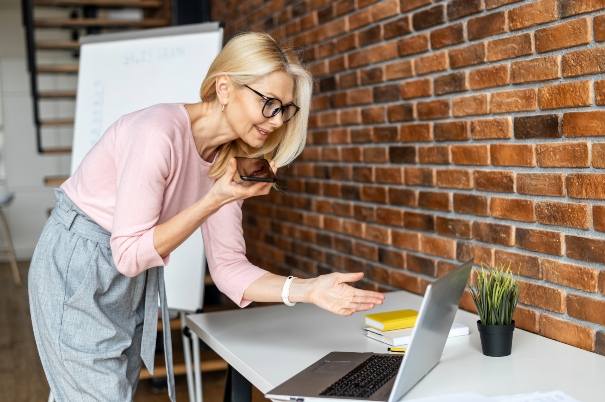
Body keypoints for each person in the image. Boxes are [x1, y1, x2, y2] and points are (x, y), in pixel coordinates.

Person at [28, 31, 385, 402]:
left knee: (89, 392)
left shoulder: (226, 161)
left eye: (285, 109)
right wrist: (213, 200)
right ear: (225, 87)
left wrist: (309, 289)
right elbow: (129, 254)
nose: (277, 120)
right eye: (269, 103)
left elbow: (229, 268)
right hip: (79, 263)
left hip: (127, 276)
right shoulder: (157, 133)